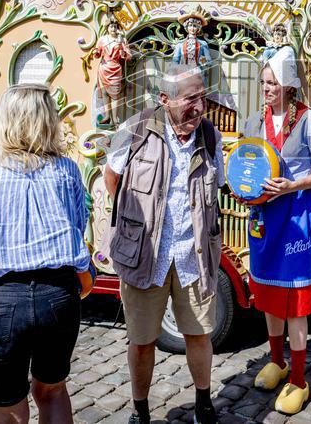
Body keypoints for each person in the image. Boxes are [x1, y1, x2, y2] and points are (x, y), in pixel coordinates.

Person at [0, 83, 90, 424]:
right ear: (48, 121)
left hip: (1, 299)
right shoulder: (66, 170)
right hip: (59, 294)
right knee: (52, 390)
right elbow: (78, 228)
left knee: (8, 402)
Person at [103, 64, 223, 424]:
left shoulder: (209, 136)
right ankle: (140, 410)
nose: (199, 107)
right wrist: (138, 227)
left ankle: (204, 402)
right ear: (164, 99)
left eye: (202, 97)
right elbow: (113, 181)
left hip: (193, 256)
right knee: (141, 341)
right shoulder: (135, 129)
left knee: (199, 335)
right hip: (145, 256)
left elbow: (217, 188)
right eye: (190, 98)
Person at [241, 48, 311, 415]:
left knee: (294, 302)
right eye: (263, 82)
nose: (266, 89)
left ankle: (298, 380)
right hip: (264, 218)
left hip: (296, 217)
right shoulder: (253, 122)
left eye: (273, 83)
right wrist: (243, 189)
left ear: (290, 85)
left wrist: (291, 186)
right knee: (268, 294)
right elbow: (245, 166)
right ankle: (276, 362)